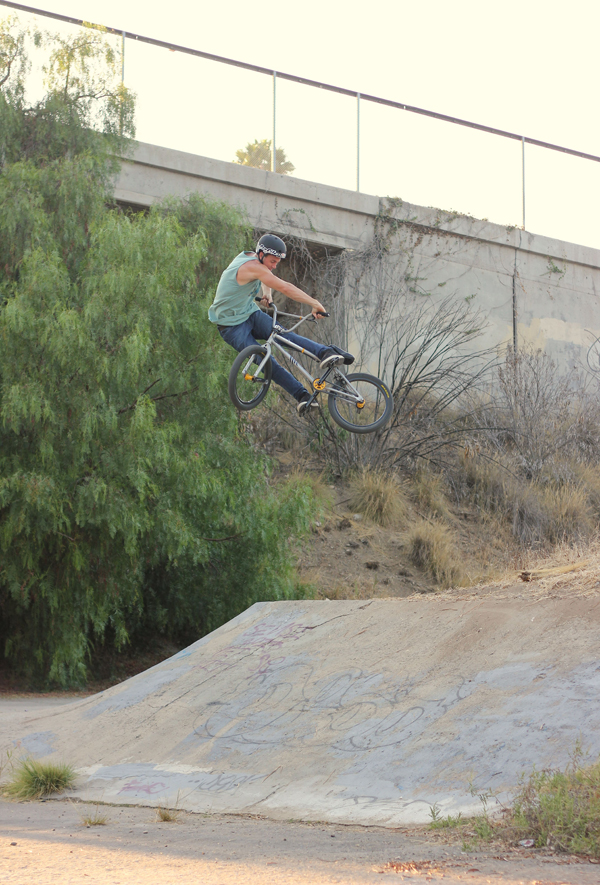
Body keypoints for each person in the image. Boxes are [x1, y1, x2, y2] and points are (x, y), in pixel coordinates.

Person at [209, 234, 343, 414]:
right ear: (262, 254)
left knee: (285, 336)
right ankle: (302, 396)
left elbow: (266, 275)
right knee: (267, 363)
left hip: (249, 313)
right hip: (231, 327)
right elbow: (285, 287)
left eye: (277, 263)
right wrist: (314, 303)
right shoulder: (251, 266)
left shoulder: (252, 257)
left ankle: (325, 352)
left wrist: (267, 293)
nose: (274, 266)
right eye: (273, 261)